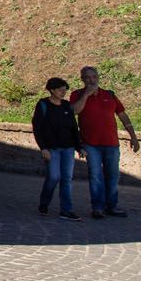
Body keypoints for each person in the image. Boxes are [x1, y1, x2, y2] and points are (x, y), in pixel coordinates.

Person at [70, 64, 141, 219]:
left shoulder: (109, 95)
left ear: (98, 77)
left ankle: (112, 206)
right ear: (82, 79)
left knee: (113, 175)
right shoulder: (77, 94)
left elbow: (122, 115)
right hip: (90, 143)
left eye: (94, 77)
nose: (91, 80)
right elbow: (74, 112)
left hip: (111, 143)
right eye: (87, 77)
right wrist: (86, 95)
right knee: (96, 175)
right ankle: (97, 208)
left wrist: (133, 136)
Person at [31, 77, 81, 221]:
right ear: (52, 90)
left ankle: (66, 210)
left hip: (68, 148)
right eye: (60, 90)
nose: (63, 92)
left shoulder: (66, 105)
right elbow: (37, 128)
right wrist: (43, 148)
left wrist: (79, 147)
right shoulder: (43, 105)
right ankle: (44, 202)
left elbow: (73, 127)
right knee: (54, 177)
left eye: (65, 90)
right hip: (51, 148)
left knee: (67, 179)